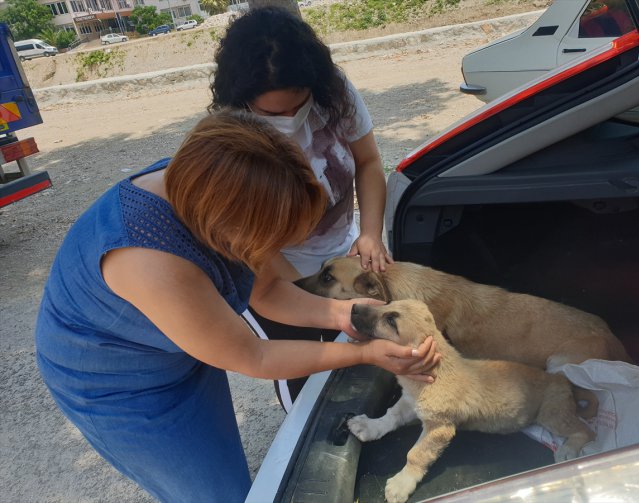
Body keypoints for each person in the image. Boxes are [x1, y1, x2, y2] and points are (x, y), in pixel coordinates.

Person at [35, 110, 439, 503]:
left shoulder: (216, 188)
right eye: (272, 239)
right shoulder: (151, 260)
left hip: (178, 342)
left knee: (226, 466)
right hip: (118, 383)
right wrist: (365, 353)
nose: (276, 252)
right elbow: (255, 355)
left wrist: (342, 314)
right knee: (217, 495)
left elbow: (264, 292)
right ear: (231, 226)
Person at [210, 6, 392, 410]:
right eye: (273, 114)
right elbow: (267, 283)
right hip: (281, 275)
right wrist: (326, 303)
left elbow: (368, 162)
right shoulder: (231, 140)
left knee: (365, 356)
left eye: (300, 105)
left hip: (343, 252)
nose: (291, 120)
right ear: (243, 100)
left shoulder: (333, 91)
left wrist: (368, 234)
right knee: (311, 383)